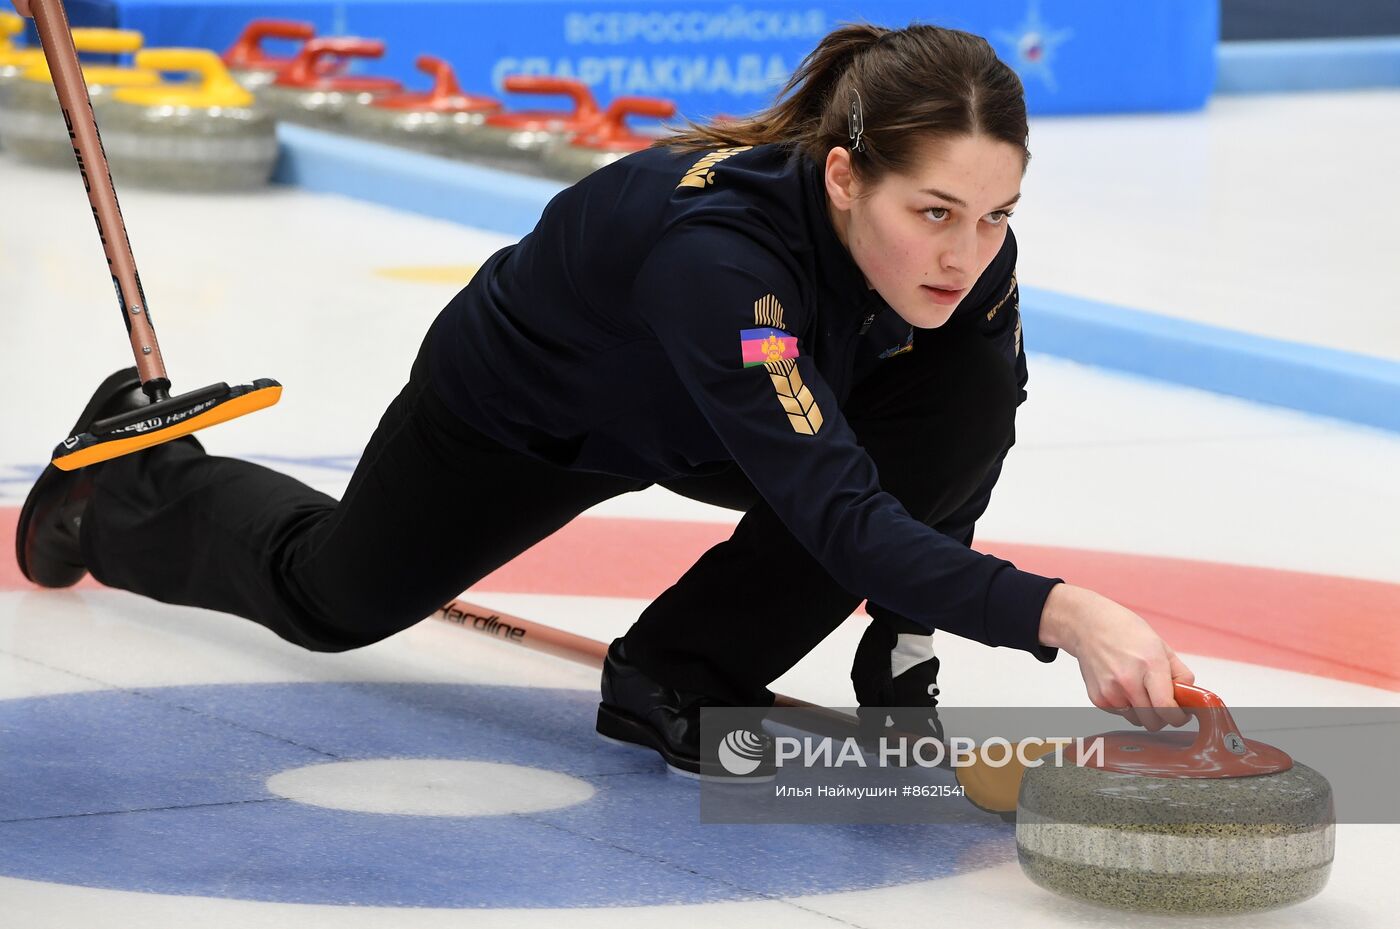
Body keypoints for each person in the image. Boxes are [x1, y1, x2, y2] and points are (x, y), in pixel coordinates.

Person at [17, 22, 1195, 776]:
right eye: (931, 211)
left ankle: (677, 673)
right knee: (332, 598)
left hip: (731, 410)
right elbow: (835, 512)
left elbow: (952, 449)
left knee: (960, 399)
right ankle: (127, 484)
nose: (962, 251)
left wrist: (905, 630)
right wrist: (1064, 613)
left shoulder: (967, 265)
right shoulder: (721, 263)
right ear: (843, 176)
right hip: (531, 410)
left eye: (993, 216)